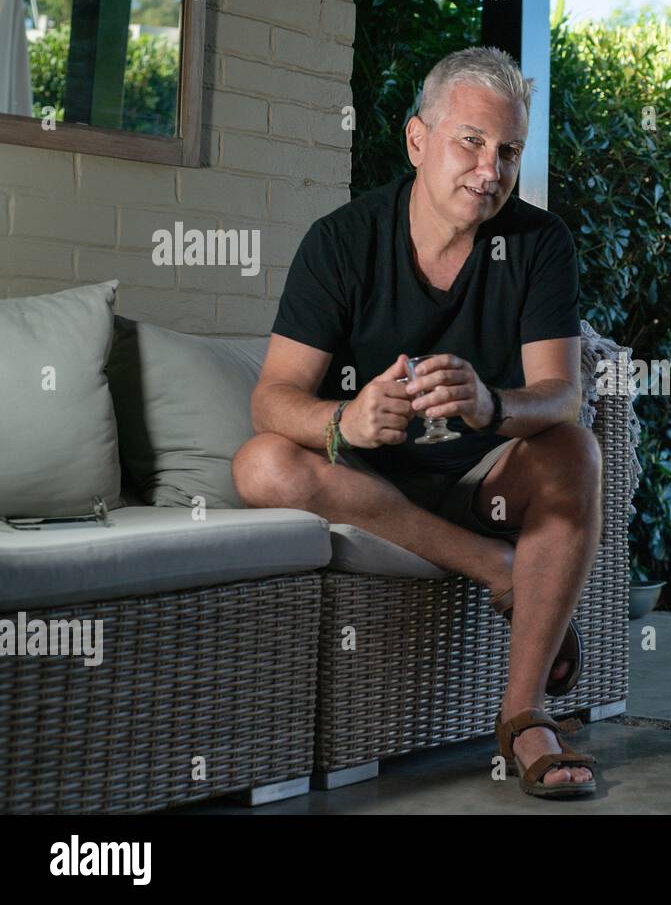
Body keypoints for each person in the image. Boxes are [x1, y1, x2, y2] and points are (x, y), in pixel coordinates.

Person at [231, 46, 600, 798]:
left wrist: (492, 403)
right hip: (368, 477)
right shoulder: (341, 241)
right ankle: (495, 568)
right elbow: (272, 398)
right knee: (259, 464)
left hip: (483, 475)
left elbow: (561, 396)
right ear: (417, 139)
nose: (489, 170)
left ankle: (525, 717)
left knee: (576, 452)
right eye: (471, 141)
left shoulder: (539, 244)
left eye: (508, 151)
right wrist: (350, 419)